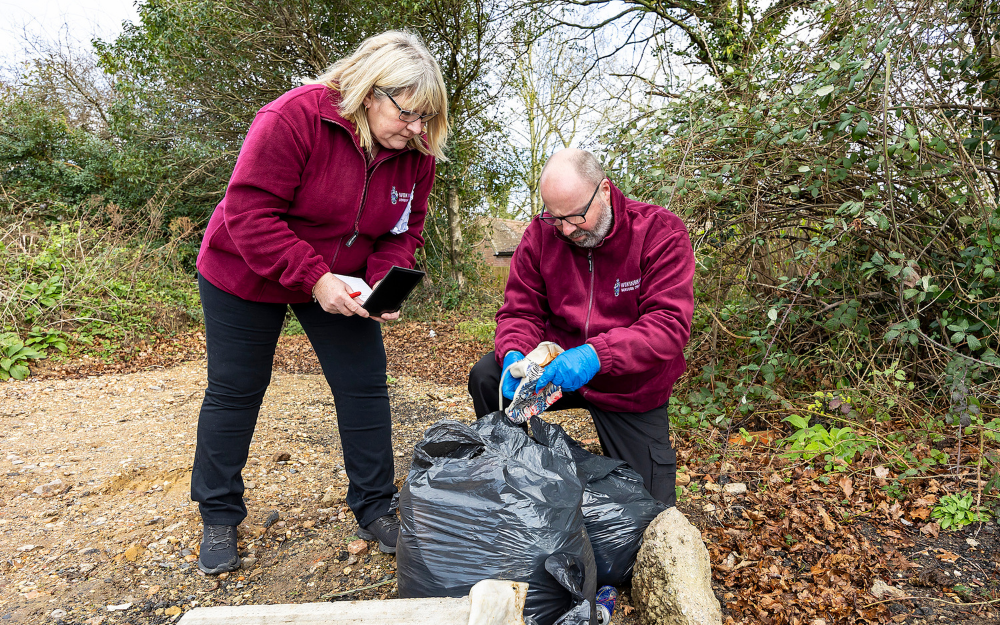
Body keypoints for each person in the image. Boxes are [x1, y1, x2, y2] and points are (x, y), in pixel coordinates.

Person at [192, 31, 448, 574]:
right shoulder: (291, 119)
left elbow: (404, 232)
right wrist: (315, 278)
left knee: (363, 383)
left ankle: (377, 508)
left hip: (341, 275)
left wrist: (379, 284)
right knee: (236, 389)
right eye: (410, 115)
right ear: (372, 92)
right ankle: (218, 515)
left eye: (427, 119)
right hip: (245, 266)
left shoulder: (415, 155)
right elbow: (249, 214)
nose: (419, 130)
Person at [468, 148, 694, 505]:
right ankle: (510, 474)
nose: (568, 230)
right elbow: (520, 311)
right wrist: (515, 352)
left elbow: (668, 326)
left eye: (576, 216)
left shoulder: (658, 232)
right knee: (487, 375)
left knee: (652, 510)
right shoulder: (541, 234)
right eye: (556, 218)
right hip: (555, 372)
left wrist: (594, 356)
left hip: (628, 386)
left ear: (604, 190)